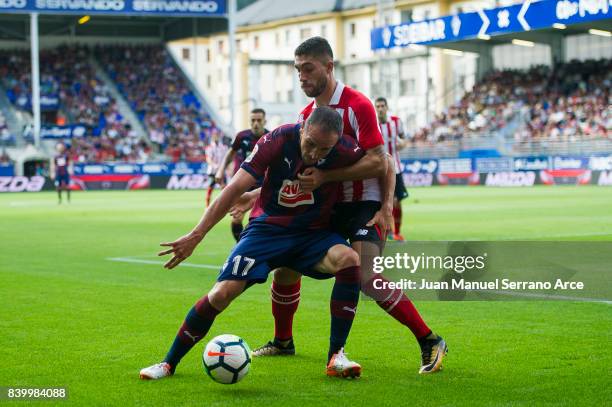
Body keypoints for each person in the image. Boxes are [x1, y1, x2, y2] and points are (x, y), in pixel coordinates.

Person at [139, 107, 386, 381]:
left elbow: (382, 162)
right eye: (310, 144)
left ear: (336, 142)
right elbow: (233, 188)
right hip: (267, 230)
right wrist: (196, 235)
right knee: (221, 294)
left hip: (312, 233)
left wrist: (386, 206)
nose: (315, 153)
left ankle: (336, 355)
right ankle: (168, 363)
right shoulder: (276, 140)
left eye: (324, 149)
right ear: (302, 128)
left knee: (349, 259)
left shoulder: (345, 150)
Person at [250, 37, 447, 375]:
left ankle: (430, 339)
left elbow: (380, 161)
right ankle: (283, 341)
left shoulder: (358, 105)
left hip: (363, 205)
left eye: (308, 69)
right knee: (285, 265)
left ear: (329, 66)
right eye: (298, 70)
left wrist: (386, 206)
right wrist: (249, 198)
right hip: (326, 209)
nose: (302, 77)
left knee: (367, 277)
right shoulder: (306, 116)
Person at [215, 108, 268, 241]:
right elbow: (230, 153)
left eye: (259, 120)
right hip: (244, 183)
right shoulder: (242, 136)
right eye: (253, 120)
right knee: (237, 219)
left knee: (257, 220)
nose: (256, 123)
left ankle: (250, 247)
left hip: (262, 185)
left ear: (264, 121)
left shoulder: (271, 137)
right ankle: (241, 246)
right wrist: (221, 170)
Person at [375, 97, 409, 241]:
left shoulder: (396, 121)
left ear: (387, 108)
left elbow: (404, 138)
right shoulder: (372, 122)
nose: (380, 109)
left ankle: (397, 232)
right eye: (378, 106)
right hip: (378, 169)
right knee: (380, 202)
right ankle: (386, 230)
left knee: (396, 201)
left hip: (396, 168)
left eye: (383, 106)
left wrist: (403, 144)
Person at [205, 132, 228, 207]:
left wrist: (227, 167)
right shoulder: (209, 148)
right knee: (210, 188)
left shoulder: (224, 147)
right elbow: (208, 158)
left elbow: (226, 158)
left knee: (224, 188)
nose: (216, 137)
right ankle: (207, 206)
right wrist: (214, 165)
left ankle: (225, 205)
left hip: (221, 171)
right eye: (214, 136)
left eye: (217, 136)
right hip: (213, 171)